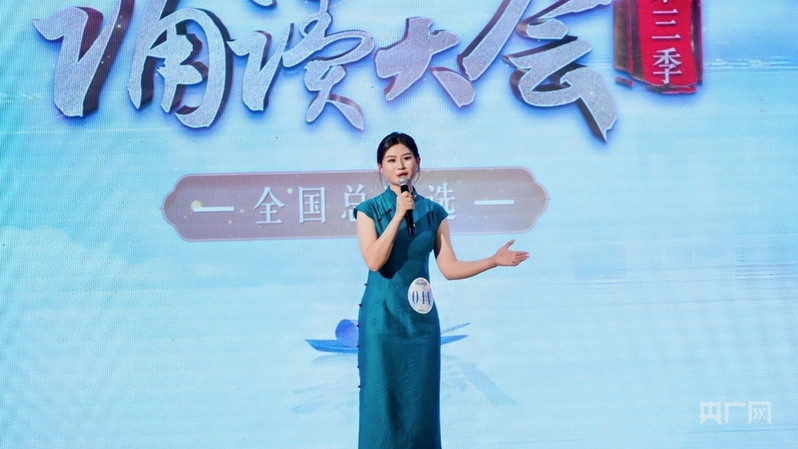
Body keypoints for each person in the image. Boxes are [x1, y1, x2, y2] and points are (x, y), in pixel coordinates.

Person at [354, 132, 529, 449]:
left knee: (420, 409)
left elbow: (449, 267)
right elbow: (375, 260)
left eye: (406, 158)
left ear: (418, 162)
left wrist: (492, 260)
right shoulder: (369, 210)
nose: (400, 165)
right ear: (380, 167)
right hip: (383, 322)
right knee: (382, 407)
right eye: (391, 160)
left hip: (420, 325)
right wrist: (398, 215)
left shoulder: (434, 213)